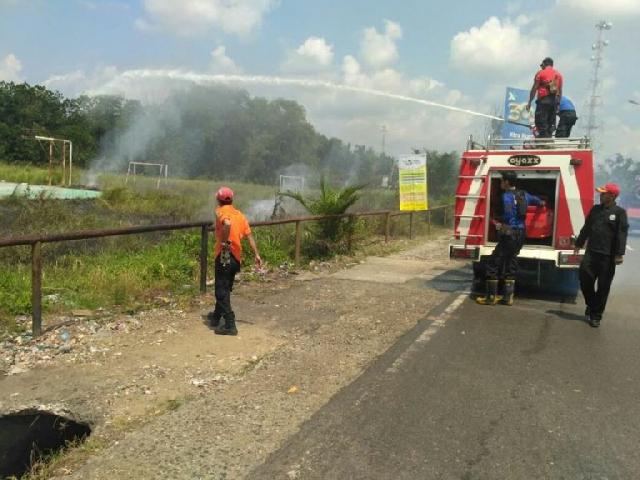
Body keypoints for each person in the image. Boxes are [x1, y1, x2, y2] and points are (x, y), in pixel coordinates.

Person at [477, 171, 544, 306]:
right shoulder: (524, 194)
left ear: (507, 182)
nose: (501, 183)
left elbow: (505, 217)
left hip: (509, 232)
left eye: (502, 180)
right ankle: (508, 298)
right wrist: (542, 202)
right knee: (511, 261)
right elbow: (539, 202)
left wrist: (497, 224)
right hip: (521, 233)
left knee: (493, 262)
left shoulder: (504, 197)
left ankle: (490, 297)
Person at [209, 186, 262, 335]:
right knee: (226, 287)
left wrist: (224, 242)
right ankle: (215, 317)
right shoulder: (239, 214)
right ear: (231, 199)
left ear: (218, 200)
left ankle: (230, 324)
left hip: (224, 255)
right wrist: (256, 254)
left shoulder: (220, 211)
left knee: (221, 291)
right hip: (236, 257)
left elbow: (226, 224)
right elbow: (249, 236)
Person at [573, 183, 628, 328]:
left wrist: (619, 254)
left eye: (604, 193)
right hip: (591, 253)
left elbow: (622, 234)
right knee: (584, 280)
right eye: (601, 193)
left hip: (608, 257)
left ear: (612, 196)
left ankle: (596, 315)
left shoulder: (619, 213)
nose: (601, 195)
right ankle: (592, 304)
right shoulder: (595, 209)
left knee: (603, 287)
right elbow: (586, 228)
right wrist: (579, 243)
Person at [527, 57, 563, 139]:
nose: (541, 67)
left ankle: (543, 142)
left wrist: (529, 102)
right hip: (554, 101)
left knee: (540, 122)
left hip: (543, 101)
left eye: (541, 65)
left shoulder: (540, 73)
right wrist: (558, 105)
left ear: (544, 64)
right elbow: (560, 91)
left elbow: (534, 88)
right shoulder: (559, 75)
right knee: (550, 123)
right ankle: (549, 140)